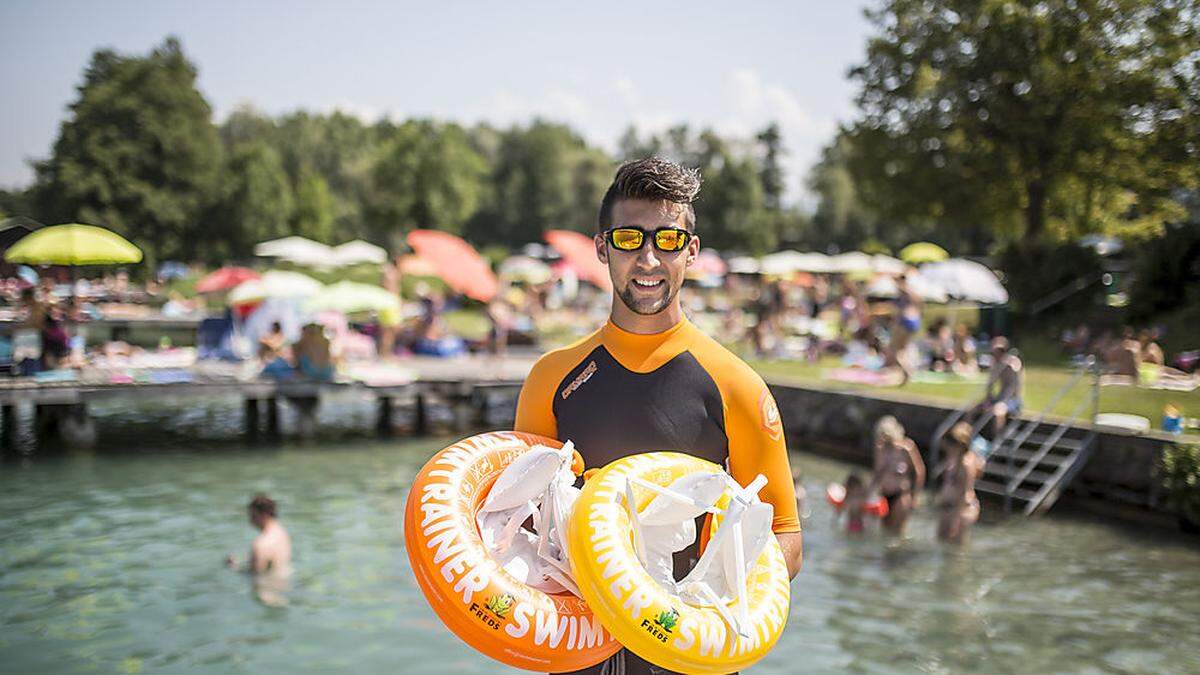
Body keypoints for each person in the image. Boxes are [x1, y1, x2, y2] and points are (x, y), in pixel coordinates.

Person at [515, 158, 802, 675]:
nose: (648, 258)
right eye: (629, 239)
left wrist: (703, 602)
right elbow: (518, 523)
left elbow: (786, 537)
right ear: (601, 248)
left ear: (690, 251)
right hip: (578, 647)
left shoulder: (735, 384)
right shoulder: (550, 378)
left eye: (667, 240)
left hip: (688, 652)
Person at [868, 415, 925, 535]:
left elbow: (919, 472)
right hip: (884, 495)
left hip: (900, 494)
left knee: (896, 532)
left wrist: (915, 496)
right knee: (884, 531)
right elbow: (877, 473)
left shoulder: (907, 448)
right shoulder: (880, 448)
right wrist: (868, 493)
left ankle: (897, 552)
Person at [937, 423, 984, 543]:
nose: (947, 447)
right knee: (942, 541)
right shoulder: (954, 458)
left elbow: (964, 492)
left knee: (956, 548)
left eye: (951, 445)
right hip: (949, 506)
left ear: (960, 445)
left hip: (961, 509)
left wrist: (956, 520)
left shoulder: (965, 464)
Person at [226, 494, 292, 575]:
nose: (250, 520)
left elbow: (256, 578)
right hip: (284, 581)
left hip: (268, 586)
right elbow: (272, 560)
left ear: (264, 515)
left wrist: (233, 567)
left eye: (253, 516)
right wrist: (250, 558)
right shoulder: (282, 533)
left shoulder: (260, 545)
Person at [977, 336, 1023, 439]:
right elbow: (990, 384)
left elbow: (1013, 388)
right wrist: (988, 399)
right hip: (1000, 398)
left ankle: (998, 439)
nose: (995, 354)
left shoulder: (1013, 364)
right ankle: (969, 436)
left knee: (997, 412)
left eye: (998, 351)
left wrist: (999, 402)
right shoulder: (995, 364)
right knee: (972, 409)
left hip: (1012, 400)